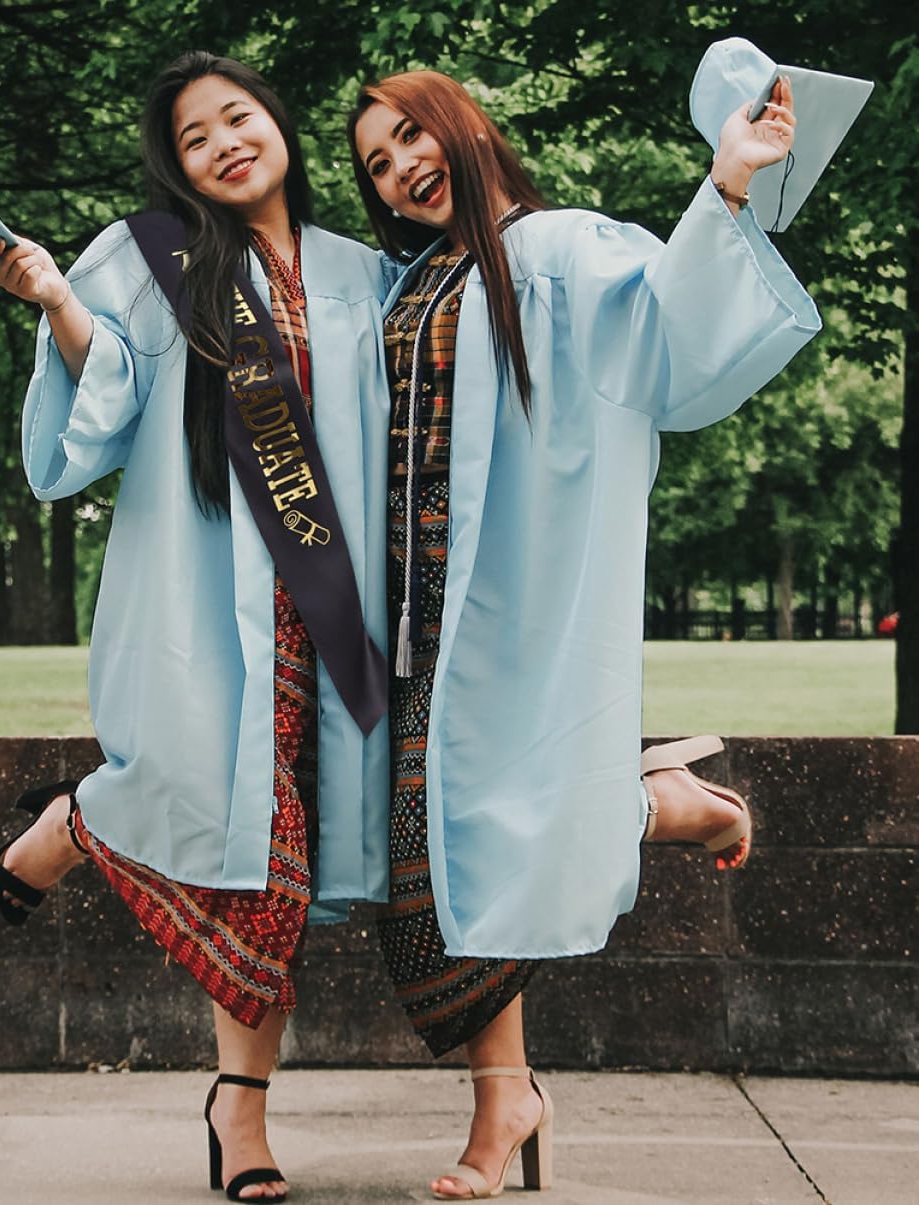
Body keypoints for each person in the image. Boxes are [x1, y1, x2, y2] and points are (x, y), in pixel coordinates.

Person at [349, 69, 819, 1199]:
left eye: (411, 136)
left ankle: (503, 1095)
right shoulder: (407, 279)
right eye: (376, 164)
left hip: (515, 590)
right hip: (407, 614)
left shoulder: (560, 249)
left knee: (496, 835)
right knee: (435, 863)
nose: (401, 169)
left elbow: (664, 336)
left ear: (464, 127)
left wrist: (726, 183)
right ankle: (657, 814)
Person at [0, 52, 394, 1202]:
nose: (223, 143)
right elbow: (106, 393)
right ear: (175, 166)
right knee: (248, 861)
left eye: (236, 116)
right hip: (208, 602)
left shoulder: (366, 272)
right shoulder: (151, 259)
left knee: (272, 866)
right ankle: (241, 1111)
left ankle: (79, 822)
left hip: (336, 614)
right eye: (193, 137)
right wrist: (59, 301)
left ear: (278, 122)